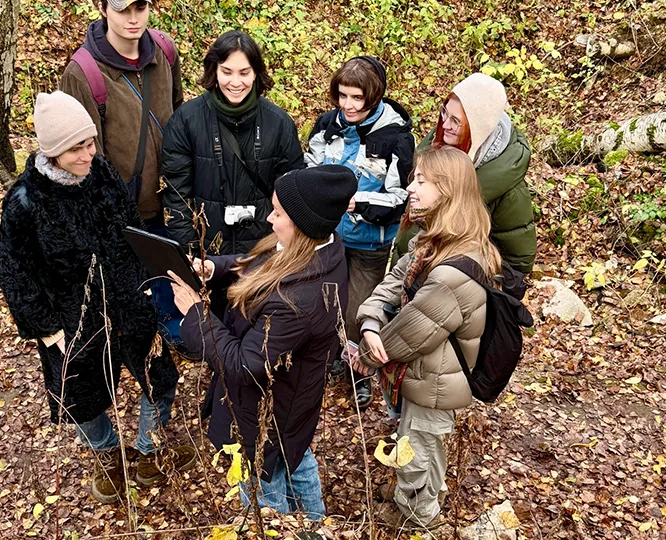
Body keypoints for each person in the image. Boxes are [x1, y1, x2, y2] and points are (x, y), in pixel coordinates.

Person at [0, 92, 194, 505]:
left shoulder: (101, 172)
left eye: (90, 143)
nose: (89, 154)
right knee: (79, 400)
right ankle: (107, 454)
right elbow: (15, 274)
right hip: (71, 321)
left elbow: (129, 231)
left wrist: (145, 283)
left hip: (127, 301)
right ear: (52, 152)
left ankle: (148, 451)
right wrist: (47, 330)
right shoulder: (25, 202)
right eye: (77, 148)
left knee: (158, 377)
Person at [167, 166, 357, 519]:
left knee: (262, 481)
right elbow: (259, 263)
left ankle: (285, 525)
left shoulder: (298, 299)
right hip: (293, 400)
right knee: (295, 457)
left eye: (279, 213)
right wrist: (217, 268)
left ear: (303, 224)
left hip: (267, 412)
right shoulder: (318, 249)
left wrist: (196, 314)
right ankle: (315, 524)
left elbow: (243, 365)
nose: (270, 219)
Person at [352, 147, 501, 527]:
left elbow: (410, 333)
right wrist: (369, 320)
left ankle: (420, 519)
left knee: (419, 448)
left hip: (435, 381)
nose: (410, 187)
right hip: (423, 376)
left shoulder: (454, 268)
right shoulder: (432, 242)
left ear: (448, 190)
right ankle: (414, 498)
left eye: (421, 180)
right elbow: (392, 282)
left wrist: (368, 356)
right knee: (421, 442)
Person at [59, 0, 185, 343]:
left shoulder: (165, 51)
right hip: (125, 204)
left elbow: (178, 111)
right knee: (132, 278)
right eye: (121, 9)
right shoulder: (83, 73)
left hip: (172, 193)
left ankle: (173, 325)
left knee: (170, 265)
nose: (132, 18)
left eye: (140, 7)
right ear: (102, 8)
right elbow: (85, 158)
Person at [304, 56, 414, 411]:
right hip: (329, 235)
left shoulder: (397, 138)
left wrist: (358, 202)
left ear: (374, 96)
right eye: (342, 96)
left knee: (360, 309)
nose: (348, 105)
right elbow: (310, 168)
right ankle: (331, 360)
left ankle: (362, 372)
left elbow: (401, 197)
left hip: (372, 241)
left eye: (356, 98)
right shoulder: (326, 125)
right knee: (326, 301)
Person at [161, 30, 306, 258]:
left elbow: (292, 193)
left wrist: (277, 248)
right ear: (214, 71)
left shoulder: (279, 123)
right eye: (226, 72)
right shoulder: (186, 120)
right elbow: (176, 194)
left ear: (256, 73)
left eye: (244, 73)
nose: (235, 82)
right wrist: (191, 252)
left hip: (263, 253)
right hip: (206, 252)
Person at [391, 73, 535, 291]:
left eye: (456, 121)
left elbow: (517, 263)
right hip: (406, 277)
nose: (445, 125)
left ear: (478, 127)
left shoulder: (507, 188)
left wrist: (477, 295)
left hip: (453, 296)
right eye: (444, 113)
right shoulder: (432, 153)